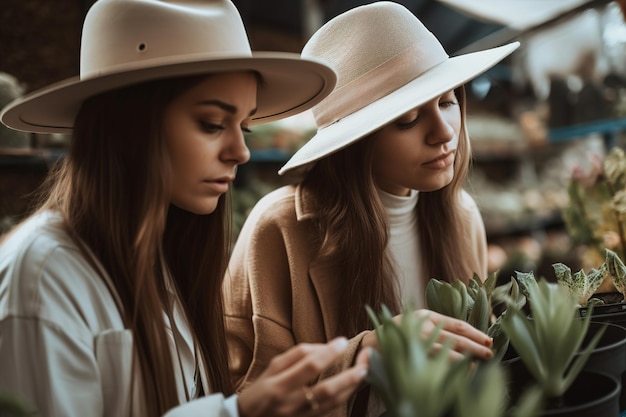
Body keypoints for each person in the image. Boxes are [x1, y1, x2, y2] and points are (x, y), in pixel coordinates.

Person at [0, 1, 369, 416]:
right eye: (213, 123)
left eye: (244, 126)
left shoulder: (167, 261)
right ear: (128, 127)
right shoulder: (44, 278)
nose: (241, 152)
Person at [224, 2, 520, 416]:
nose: (443, 133)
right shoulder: (278, 230)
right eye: (409, 119)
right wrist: (369, 351)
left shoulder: (461, 216)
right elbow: (245, 394)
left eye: (449, 101)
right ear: (355, 141)